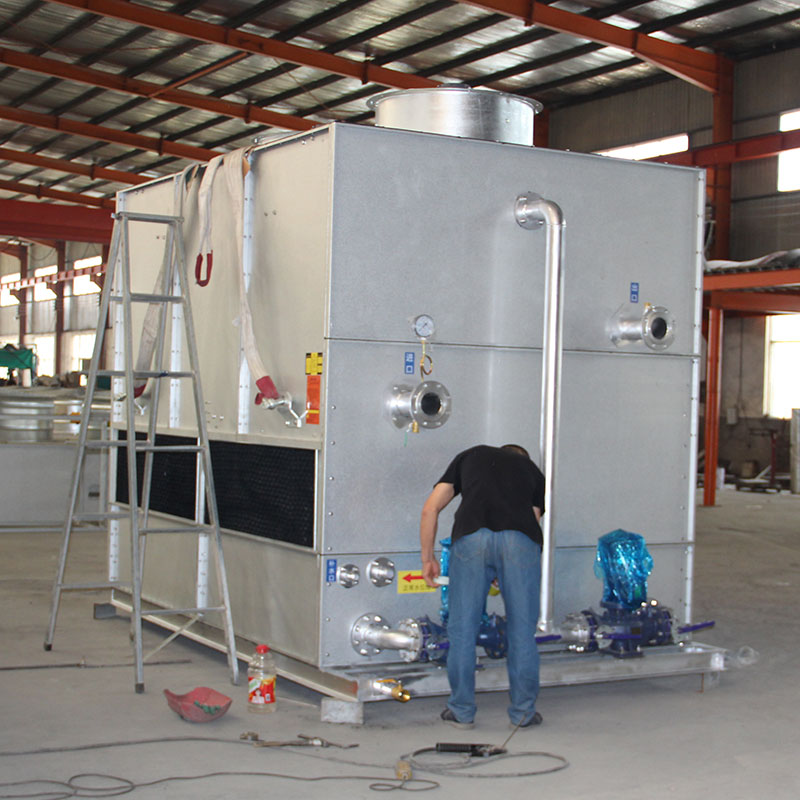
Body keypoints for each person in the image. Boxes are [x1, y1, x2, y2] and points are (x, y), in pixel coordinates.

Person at [420, 443, 545, 730]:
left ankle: (462, 711)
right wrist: (507, 566)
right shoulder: (532, 471)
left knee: (462, 630)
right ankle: (523, 714)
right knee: (522, 632)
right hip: (520, 541)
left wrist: (428, 558)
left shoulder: (471, 456)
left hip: (472, 537)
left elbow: (430, 509)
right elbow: (534, 519)